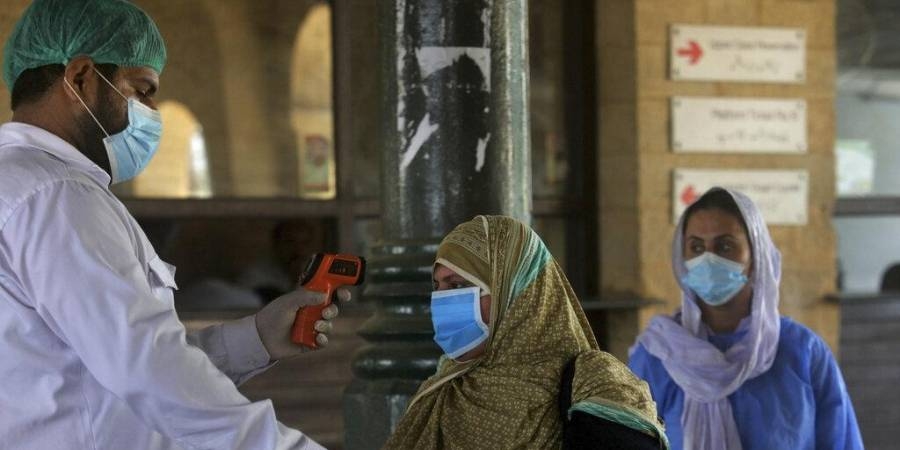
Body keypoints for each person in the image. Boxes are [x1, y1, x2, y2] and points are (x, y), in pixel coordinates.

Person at [0, 1, 349, 449]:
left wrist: (255, 339)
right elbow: (147, 367)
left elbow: (106, 371)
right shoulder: (56, 195)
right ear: (82, 78)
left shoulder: (23, 185)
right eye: (142, 90)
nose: (152, 110)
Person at [383, 215, 668, 449]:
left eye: (458, 286)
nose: (442, 301)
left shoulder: (595, 386)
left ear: (517, 293)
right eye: (438, 287)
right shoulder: (443, 391)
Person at [628, 187, 863, 450]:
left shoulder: (801, 352)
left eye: (725, 246)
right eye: (696, 247)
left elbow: (842, 443)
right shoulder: (659, 354)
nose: (708, 259)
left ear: (757, 254)